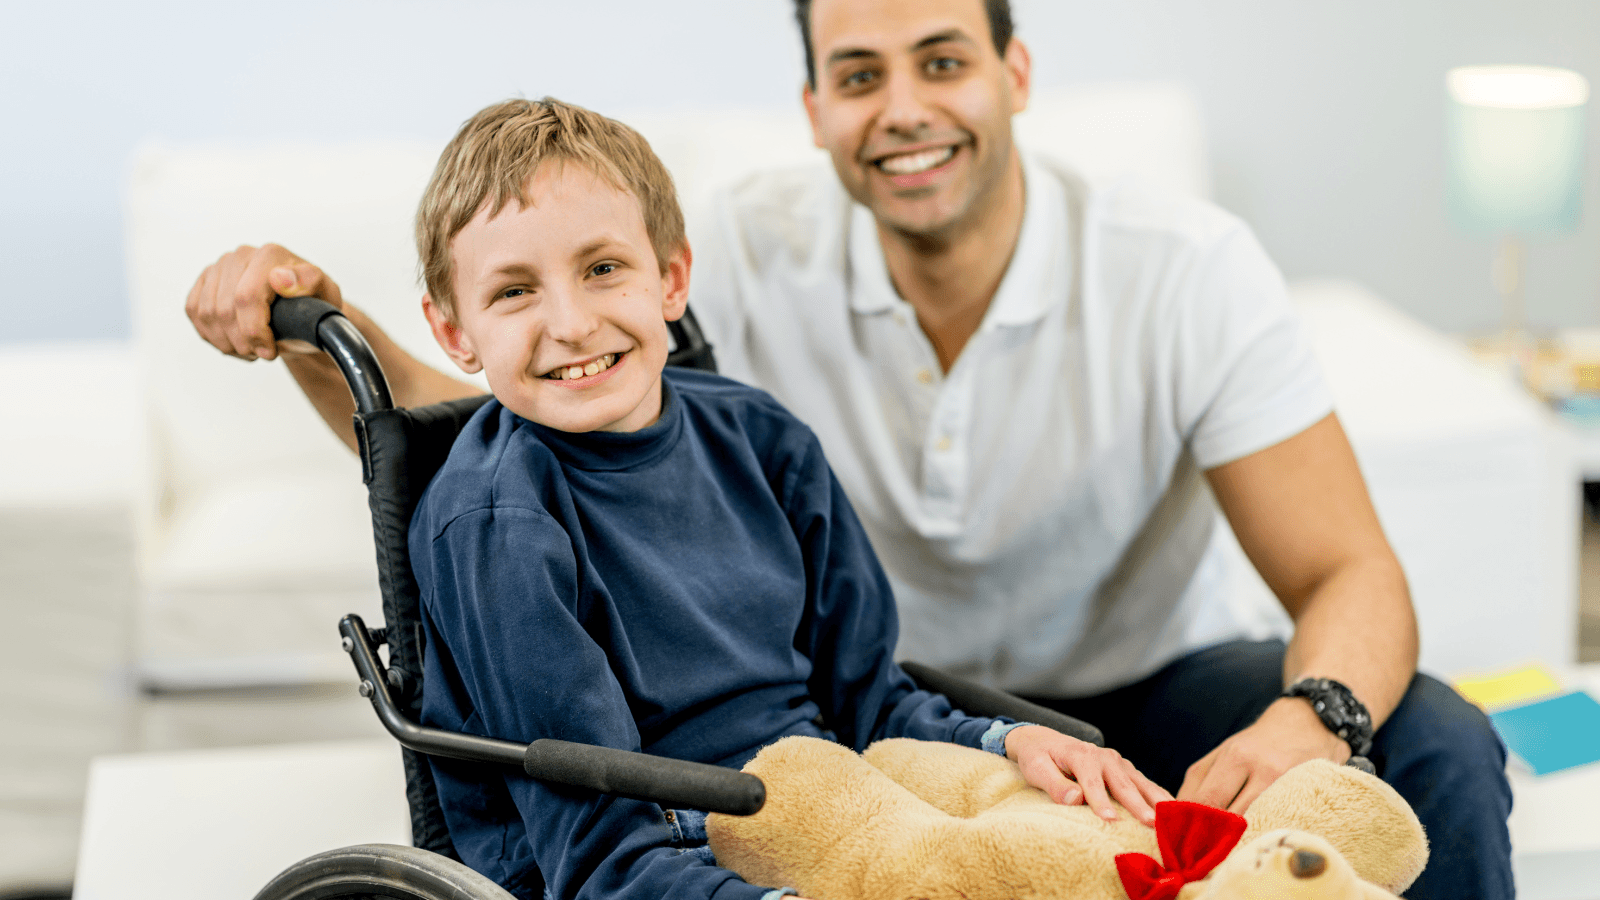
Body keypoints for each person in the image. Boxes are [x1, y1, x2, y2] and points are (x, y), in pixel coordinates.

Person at [185, 1, 1512, 896]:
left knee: (1435, 746)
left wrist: (1307, 722)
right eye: (861, 74)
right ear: (814, 105)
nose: (905, 107)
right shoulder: (732, 256)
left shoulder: (1180, 267)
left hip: (1070, 693)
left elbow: (1353, 571)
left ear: (1015, 74)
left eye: (943, 59)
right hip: (856, 731)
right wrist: (328, 332)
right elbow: (519, 399)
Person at [395, 95, 1167, 900]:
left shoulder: (763, 440)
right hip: (665, 846)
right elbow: (597, 858)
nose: (572, 323)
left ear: (671, 279)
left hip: (843, 791)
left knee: (1108, 840)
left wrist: (1004, 742)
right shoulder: (497, 525)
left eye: (602, 269)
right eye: (514, 292)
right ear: (454, 334)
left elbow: (871, 706)